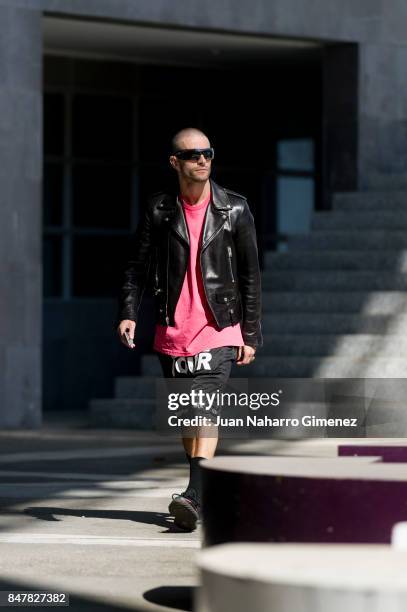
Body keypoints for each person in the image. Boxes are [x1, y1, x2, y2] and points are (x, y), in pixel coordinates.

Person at [117, 127, 262, 531]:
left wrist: (249, 333)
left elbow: (251, 275)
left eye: (208, 153)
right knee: (186, 415)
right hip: (173, 330)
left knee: (204, 407)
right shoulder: (159, 210)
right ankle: (203, 491)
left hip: (219, 326)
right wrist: (128, 311)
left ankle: (194, 494)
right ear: (175, 162)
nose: (202, 159)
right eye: (193, 154)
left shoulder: (234, 208)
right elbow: (136, 266)